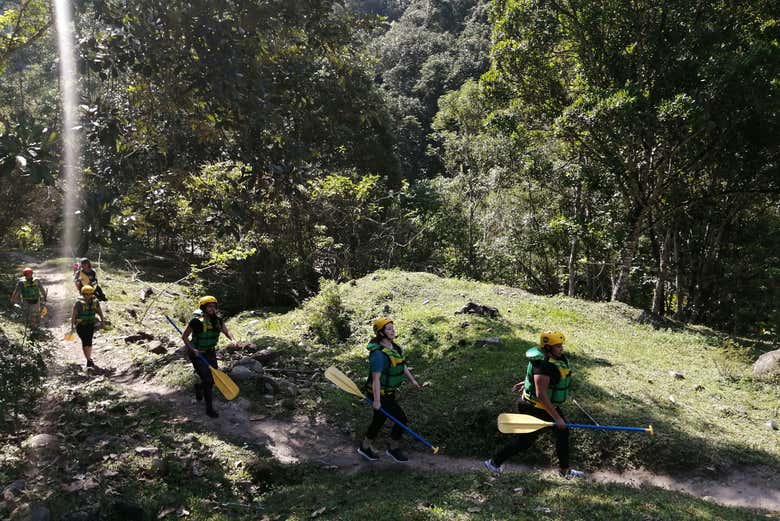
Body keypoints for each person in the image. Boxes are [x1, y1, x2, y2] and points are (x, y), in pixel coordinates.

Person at [484, 330, 585, 478]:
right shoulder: (544, 366)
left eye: (561, 345)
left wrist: (525, 383)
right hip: (535, 407)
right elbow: (541, 395)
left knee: (562, 433)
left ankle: (565, 470)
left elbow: (538, 381)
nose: (561, 348)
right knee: (525, 441)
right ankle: (493, 463)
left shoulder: (550, 359)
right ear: (548, 348)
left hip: (541, 405)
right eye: (557, 346)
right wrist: (557, 418)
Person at [357, 317, 421, 463]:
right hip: (378, 393)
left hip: (389, 392)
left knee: (379, 419)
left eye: (393, 327)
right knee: (401, 419)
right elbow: (376, 379)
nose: (393, 331)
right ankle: (393, 448)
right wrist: (377, 400)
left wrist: (412, 380)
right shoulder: (378, 355)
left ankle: (365, 446)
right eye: (389, 329)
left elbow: (402, 365)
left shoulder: (396, 348)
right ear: (381, 333)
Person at [181, 296, 235, 418]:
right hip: (197, 354)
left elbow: (226, 331)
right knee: (208, 380)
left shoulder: (218, 320)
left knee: (212, 380)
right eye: (209, 306)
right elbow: (184, 337)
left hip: (210, 353)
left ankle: (199, 387)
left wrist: (233, 340)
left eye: (214, 306)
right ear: (204, 308)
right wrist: (193, 349)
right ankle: (209, 408)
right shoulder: (195, 322)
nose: (212, 308)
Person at [70, 285, 106, 368]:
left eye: (89, 294)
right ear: (83, 294)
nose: (88, 296)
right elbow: (74, 315)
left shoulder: (95, 302)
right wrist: (72, 326)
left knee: (89, 341)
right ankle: (89, 359)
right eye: (86, 294)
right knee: (85, 341)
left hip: (90, 324)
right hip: (81, 325)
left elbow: (99, 312)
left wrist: (102, 321)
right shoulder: (79, 303)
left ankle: (88, 359)